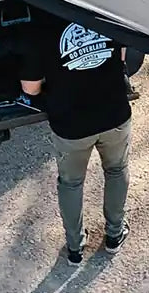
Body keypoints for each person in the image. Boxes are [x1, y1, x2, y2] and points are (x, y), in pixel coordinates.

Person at [20, 22, 132, 265]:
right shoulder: (107, 12)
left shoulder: (38, 30)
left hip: (71, 126)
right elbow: (123, 58)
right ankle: (114, 234)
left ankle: (75, 248)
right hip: (115, 114)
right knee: (116, 170)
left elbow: (30, 89)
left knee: (71, 184)